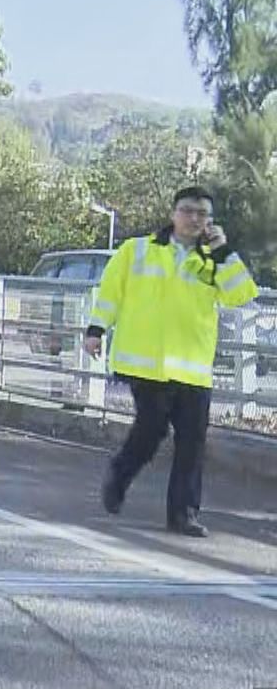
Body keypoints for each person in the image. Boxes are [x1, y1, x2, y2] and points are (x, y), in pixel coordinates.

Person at [85, 185, 258, 538]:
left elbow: (241, 295)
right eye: (187, 211)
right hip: (146, 363)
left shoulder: (215, 258)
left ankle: (183, 515)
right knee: (150, 432)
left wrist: (224, 252)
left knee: (192, 442)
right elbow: (110, 293)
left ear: (210, 220)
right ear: (173, 214)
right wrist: (96, 329)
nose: (194, 218)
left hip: (192, 365)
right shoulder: (137, 250)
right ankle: (119, 474)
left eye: (202, 213)